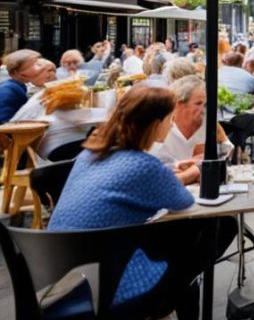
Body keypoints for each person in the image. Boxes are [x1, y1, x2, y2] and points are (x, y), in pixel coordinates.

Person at [49, 85, 211, 317]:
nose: (172, 123)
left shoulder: (89, 154)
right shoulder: (143, 165)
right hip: (111, 285)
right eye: (169, 119)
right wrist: (195, 171)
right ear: (157, 124)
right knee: (204, 233)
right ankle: (166, 306)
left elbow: (126, 181)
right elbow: (183, 201)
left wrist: (169, 170)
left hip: (57, 279)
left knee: (172, 249)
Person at [152, 75, 233, 184]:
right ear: (178, 104)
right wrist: (194, 169)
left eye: (205, 104)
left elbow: (228, 148)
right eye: (198, 103)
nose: (203, 110)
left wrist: (213, 157)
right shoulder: (163, 127)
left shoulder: (208, 123)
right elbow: (155, 172)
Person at [0, 50, 39, 123]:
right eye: (35, 65)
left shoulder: (17, 86)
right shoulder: (8, 89)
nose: (39, 69)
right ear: (16, 71)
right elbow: (4, 121)